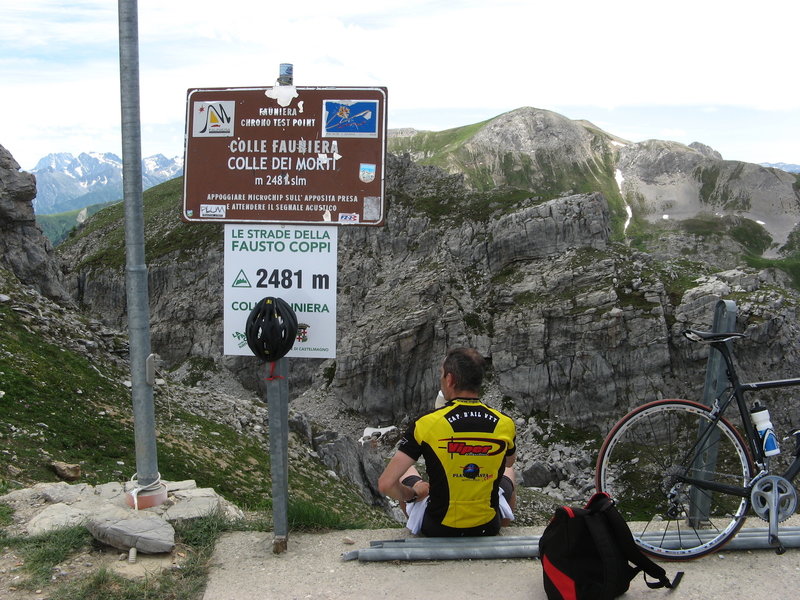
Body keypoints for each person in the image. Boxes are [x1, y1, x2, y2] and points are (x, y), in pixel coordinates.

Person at [378, 347, 517, 537]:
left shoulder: (426, 423)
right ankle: (503, 524)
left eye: (442, 375)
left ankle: (414, 526)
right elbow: (508, 463)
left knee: (407, 472)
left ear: (450, 380)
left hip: (438, 527)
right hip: (487, 527)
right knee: (509, 471)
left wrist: (414, 493)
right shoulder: (505, 423)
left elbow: (386, 484)